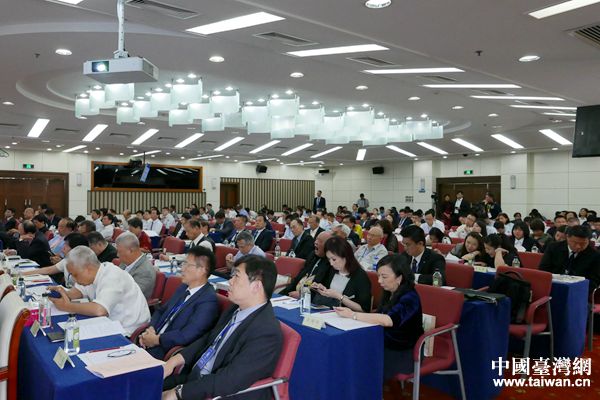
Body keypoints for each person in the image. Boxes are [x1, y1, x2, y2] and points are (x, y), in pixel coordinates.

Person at [161, 255, 282, 400]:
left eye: (236, 276)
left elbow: (230, 380)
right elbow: (209, 339)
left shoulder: (266, 332)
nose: (230, 281)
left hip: (218, 392)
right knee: (146, 384)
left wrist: (178, 393)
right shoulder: (235, 308)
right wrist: (175, 360)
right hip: (197, 379)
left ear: (256, 286)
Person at [335, 254, 423, 378]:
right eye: (378, 276)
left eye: (384, 277)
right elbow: (380, 314)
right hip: (382, 341)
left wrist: (353, 315)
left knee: (361, 363)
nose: (379, 281)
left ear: (399, 277)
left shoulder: (410, 297)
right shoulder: (390, 291)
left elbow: (388, 320)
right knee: (349, 351)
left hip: (402, 350)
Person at [48, 246, 150, 336]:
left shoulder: (112, 276)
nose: (74, 279)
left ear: (88, 269)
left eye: (75, 275)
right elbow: (76, 293)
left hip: (128, 329)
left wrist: (67, 306)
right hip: (108, 323)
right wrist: (62, 292)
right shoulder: (93, 274)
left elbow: (99, 310)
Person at [139, 246, 219, 360]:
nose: (182, 268)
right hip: (151, 340)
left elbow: (187, 335)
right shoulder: (183, 288)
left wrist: (156, 340)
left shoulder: (208, 301)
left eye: (187, 264)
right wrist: (151, 329)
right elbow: (161, 310)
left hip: (165, 352)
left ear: (202, 270)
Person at [310, 236, 371, 312]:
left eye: (334, 259)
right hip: (328, 312)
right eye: (329, 259)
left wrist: (340, 297)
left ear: (346, 256)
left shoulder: (360, 276)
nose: (331, 263)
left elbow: (363, 309)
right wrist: (323, 289)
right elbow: (329, 292)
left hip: (348, 316)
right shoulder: (331, 269)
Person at [540, 225, 600, 292]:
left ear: (588, 241)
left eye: (583, 243)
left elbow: (595, 281)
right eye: (575, 242)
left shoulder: (595, 256)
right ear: (567, 237)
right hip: (552, 286)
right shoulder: (553, 248)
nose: (578, 246)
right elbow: (543, 270)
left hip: (578, 290)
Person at [22, 233, 89, 286]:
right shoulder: (67, 260)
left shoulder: (86, 268)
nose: (63, 248)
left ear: (76, 249)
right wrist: (23, 273)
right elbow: (49, 270)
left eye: (66, 245)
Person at [281, 231, 332, 297]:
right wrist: (284, 293)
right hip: (294, 294)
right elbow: (299, 277)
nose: (315, 242)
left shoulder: (331, 264)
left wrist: (302, 294)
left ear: (328, 246)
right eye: (316, 239)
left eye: (320, 241)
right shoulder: (312, 255)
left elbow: (322, 290)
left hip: (309, 297)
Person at [116, 231, 157, 298]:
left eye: (119, 251)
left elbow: (130, 295)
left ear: (131, 250)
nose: (117, 255)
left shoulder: (145, 271)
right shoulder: (125, 262)